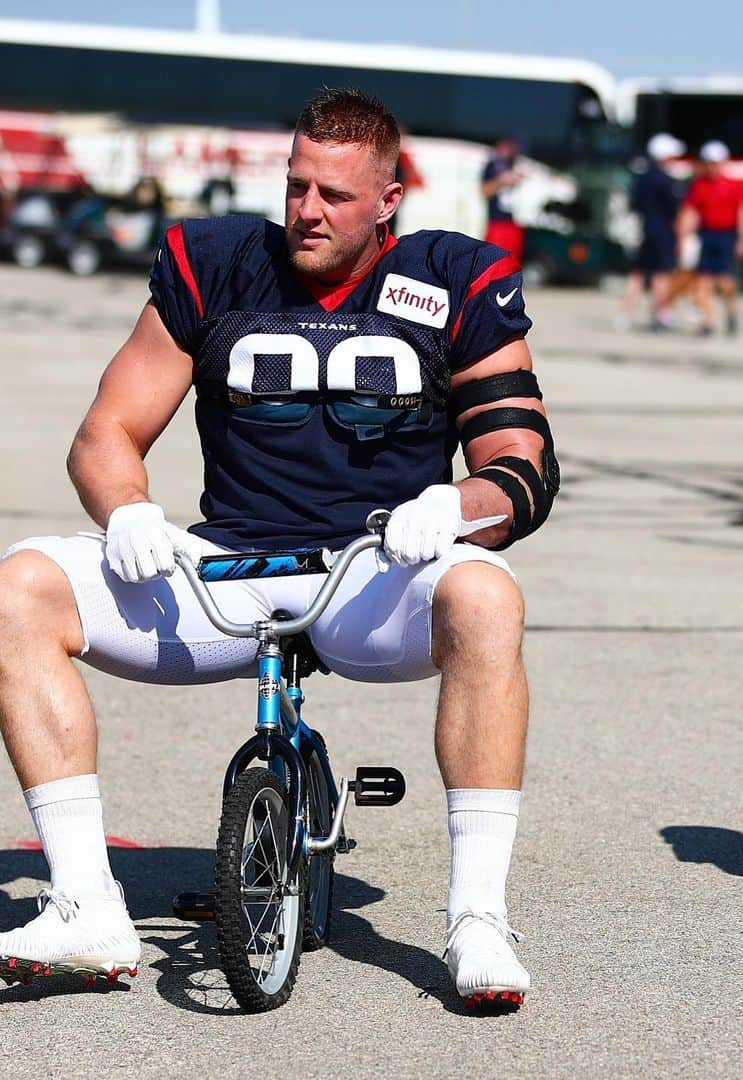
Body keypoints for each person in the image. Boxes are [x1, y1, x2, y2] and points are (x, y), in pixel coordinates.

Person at [0, 88, 559, 1008]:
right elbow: (105, 433)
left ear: (389, 200)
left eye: (335, 195)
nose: (306, 210)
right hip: (231, 562)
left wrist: (453, 509)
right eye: (296, 186)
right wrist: (130, 509)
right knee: (22, 583)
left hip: (377, 574)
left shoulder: (455, 276)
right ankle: (86, 906)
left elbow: (521, 462)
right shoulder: (217, 261)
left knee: (487, 597)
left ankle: (477, 917)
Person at [677, 140, 743, 336]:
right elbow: (690, 212)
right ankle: (707, 321)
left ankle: (731, 310)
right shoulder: (698, 186)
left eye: (715, 162)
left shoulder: (735, 186)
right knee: (703, 280)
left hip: (727, 235)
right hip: (706, 234)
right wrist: (682, 236)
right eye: (709, 162)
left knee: (724, 280)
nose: (711, 166)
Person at [616, 132, 686, 332]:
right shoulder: (665, 181)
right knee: (661, 275)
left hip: (645, 229)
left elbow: (634, 204)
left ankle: (623, 314)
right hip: (662, 233)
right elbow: (674, 211)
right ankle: (660, 316)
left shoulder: (641, 178)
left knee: (638, 274)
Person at [480, 136, 525, 263]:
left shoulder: (513, 165)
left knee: (510, 262)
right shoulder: (492, 167)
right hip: (497, 223)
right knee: (493, 261)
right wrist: (502, 181)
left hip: (513, 224)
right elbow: (484, 191)